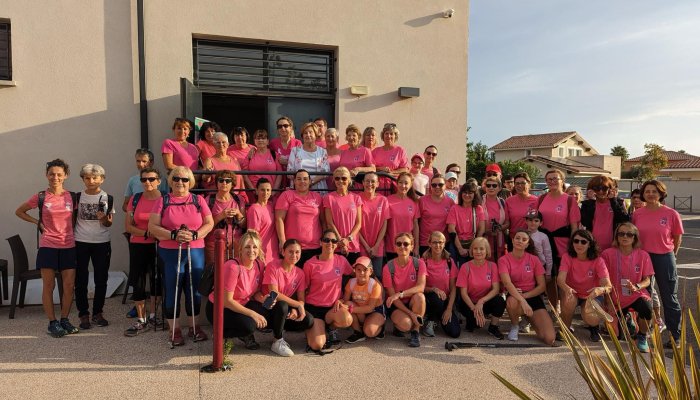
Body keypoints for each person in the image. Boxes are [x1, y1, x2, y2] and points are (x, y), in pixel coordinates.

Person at [148, 166, 214, 346]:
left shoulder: (198, 200)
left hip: (195, 250)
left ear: (190, 181)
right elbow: (152, 226)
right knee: (172, 288)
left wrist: (195, 235)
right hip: (170, 251)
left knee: (194, 289)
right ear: (171, 181)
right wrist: (172, 235)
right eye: (176, 178)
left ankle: (194, 326)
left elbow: (209, 223)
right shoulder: (163, 201)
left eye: (185, 179)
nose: (180, 182)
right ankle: (174, 329)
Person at [15, 159, 79, 338]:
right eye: (52, 174)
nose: (55, 177)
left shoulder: (72, 197)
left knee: (68, 285)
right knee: (48, 286)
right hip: (48, 246)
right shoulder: (41, 196)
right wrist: (38, 223)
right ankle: (52, 322)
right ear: (46, 175)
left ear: (66, 176)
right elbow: (19, 211)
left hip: (69, 245)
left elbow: (76, 219)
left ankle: (64, 320)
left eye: (59, 174)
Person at [631, 179, 683, 348]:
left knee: (670, 297)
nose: (651, 194)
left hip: (664, 257)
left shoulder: (671, 213)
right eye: (647, 191)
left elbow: (677, 237)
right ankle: (643, 334)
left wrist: (672, 255)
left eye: (654, 191)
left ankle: (675, 336)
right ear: (643, 194)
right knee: (643, 297)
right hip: (643, 258)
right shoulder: (637, 213)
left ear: (661, 194)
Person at [204, 230, 270, 351]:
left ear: (259, 249)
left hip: (241, 304)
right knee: (250, 325)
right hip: (220, 308)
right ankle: (222, 334)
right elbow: (227, 301)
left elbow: (254, 292)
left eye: (255, 247)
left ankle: (244, 332)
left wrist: (263, 298)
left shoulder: (259, 265)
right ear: (240, 249)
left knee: (267, 310)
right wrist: (253, 314)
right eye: (247, 247)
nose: (251, 250)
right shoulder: (233, 267)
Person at [601, 222, 655, 352]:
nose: (625, 237)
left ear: (634, 238)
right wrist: (607, 300)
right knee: (618, 337)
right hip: (615, 298)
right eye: (621, 234)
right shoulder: (607, 254)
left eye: (629, 234)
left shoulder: (643, 255)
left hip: (636, 294)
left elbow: (647, 280)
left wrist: (637, 286)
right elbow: (603, 279)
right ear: (617, 236)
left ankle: (642, 336)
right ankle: (629, 321)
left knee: (647, 308)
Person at [74, 164, 116, 329]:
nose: (91, 181)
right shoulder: (77, 197)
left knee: (101, 279)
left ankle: (98, 313)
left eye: (94, 178)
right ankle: (83, 314)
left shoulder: (108, 198)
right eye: (87, 178)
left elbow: (108, 224)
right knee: (81, 279)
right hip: (80, 241)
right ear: (83, 179)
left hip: (101, 243)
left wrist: (103, 218)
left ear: (102, 179)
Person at [498, 230, 556, 345]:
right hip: (515, 295)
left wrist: (525, 297)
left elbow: (542, 286)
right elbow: (507, 283)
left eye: (524, 239)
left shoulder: (534, 259)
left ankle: (528, 318)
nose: (520, 241)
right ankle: (515, 325)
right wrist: (522, 300)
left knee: (549, 338)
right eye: (517, 238)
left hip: (532, 295)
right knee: (512, 302)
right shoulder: (503, 260)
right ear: (513, 240)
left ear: (528, 244)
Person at [124, 167, 163, 336]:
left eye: (152, 179)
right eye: (144, 179)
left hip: (158, 245)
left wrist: (156, 233)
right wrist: (147, 232)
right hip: (138, 244)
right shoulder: (135, 198)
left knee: (156, 279)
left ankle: (153, 316)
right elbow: (128, 226)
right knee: (138, 280)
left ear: (159, 181)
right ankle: (141, 319)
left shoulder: (164, 199)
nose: (147, 182)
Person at [261, 239, 315, 356]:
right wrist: (297, 305)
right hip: (267, 305)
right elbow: (274, 293)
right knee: (283, 305)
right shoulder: (273, 266)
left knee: (308, 320)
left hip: (284, 307)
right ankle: (277, 340)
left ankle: (281, 328)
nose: (294, 255)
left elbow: (301, 299)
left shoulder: (300, 273)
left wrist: (295, 309)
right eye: (290, 252)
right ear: (283, 252)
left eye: (297, 252)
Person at [537, 169, 581, 310]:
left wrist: (573, 247)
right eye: (549, 179)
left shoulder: (569, 200)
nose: (552, 182)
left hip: (562, 245)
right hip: (544, 244)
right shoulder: (542, 198)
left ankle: (565, 311)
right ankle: (553, 308)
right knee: (549, 278)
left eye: (555, 178)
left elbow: (574, 227)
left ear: (562, 181)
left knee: (563, 279)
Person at [557, 229, 612, 342]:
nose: (579, 244)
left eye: (583, 242)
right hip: (573, 292)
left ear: (590, 244)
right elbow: (560, 279)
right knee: (568, 300)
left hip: (591, 295)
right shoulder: (567, 257)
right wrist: (567, 289)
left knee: (591, 318)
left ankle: (594, 328)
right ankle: (565, 328)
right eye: (576, 241)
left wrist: (600, 290)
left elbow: (608, 286)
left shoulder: (598, 260)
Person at [303, 230, 354, 351]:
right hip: (315, 307)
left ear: (337, 244)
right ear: (320, 242)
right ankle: (313, 329)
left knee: (347, 320)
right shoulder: (310, 264)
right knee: (317, 345)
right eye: (326, 240)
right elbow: (304, 289)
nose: (330, 243)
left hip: (333, 308)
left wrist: (343, 299)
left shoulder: (341, 260)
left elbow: (355, 275)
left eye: (333, 241)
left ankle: (331, 328)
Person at [383, 232, 427, 347]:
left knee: (420, 297)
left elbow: (421, 287)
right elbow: (393, 297)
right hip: (396, 304)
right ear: (395, 247)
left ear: (412, 246)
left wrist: (401, 294)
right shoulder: (388, 267)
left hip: (412, 301)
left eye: (406, 244)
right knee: (406, 324)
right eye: (399, 244)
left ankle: (416, 331)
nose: (402, 246)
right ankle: (400, 327)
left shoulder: (419, 263)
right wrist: (411, 314)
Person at [456, 237, 506, 339]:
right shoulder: (465, 267)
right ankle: (472, 320)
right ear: (471, 250)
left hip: (484, 302)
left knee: (500, 301)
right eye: (475, 248)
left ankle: (493, 327)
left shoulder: (492, 266)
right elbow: (463, 294)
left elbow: (496, 289)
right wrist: (475, 309)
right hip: (469, 303)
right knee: (475, 325)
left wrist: (481, 301)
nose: (478, 251)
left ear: (487, 251)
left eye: (482, 249)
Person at [275, 169, 325, 266]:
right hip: (293, 248)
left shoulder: (317, 197)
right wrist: (282, 241)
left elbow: (323, 221)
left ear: (310, 181)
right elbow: (279, 219)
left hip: (315, 247)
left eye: (305, 179)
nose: (302, 181)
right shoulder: (287, 195)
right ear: (294, 181)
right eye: (299, 179)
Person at [421, 231, 461, 338]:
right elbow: (420, 287)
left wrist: (449, 309)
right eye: (434, 242)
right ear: (429, 243)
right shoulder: (423, 261)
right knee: (437, 298)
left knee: (455, 332)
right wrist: (434, 289)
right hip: (429, 299)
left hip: (445, 300)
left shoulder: (449, 261)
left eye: (440, 242)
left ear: (444, 244)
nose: (437, 245)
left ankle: (438, 318)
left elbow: (453, 289)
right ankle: (430, 320)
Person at [204, 170, 246, 265]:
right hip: (214, 245)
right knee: (215, 273)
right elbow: (205, 226)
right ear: (217, 183)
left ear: (232, 184)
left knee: (233, 272)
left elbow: (244, 225)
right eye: (221, 180)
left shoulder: (238, 200)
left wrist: (238, 214)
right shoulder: (209, 200)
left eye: (228, 181)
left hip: (235, 244)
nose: (224, 183)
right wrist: (221, 215)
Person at [323, 167, 363, 264]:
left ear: (349, 180)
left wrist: (348, 239)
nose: (340, 181)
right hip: (335, 246)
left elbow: (358, 223)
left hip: (353, 245)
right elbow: (329, 222)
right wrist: (340, 241)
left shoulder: (356, 198)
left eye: (344, 178)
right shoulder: (329, 198)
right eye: (337, 178)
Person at [580, 175, 629, 251]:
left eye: (604, 188)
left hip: (613, 246)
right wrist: (592, 201)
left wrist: (613, 200)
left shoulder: (617, 202)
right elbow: (585, 222)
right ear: (591, 190)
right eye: (597, 189)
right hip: (592, 246)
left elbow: (624, 219)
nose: (600, 191)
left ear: (610, 189)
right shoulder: (587, 204)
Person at [343, 256, 386, 343]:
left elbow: (370, 308)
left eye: (365, 269)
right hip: (359, 309)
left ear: (371, 272)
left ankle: (380, 327)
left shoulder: (375, 285)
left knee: (370, 332)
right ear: (354, 270)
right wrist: (340, 303)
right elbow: (345, 301)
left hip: (375, 310)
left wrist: (350, 309)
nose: (361, 272)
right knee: (347, 303)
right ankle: (358, 332)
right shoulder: (351, 282)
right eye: (358, 269)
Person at [358, 172, 390, 279]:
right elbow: (355, 224)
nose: (369, 184)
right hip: (362, 243)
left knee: (377, 275)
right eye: (367, 181)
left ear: (377, 184)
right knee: (362, 276)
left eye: (373, 181)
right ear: (363, 183)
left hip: (378, 244)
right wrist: (366, 246)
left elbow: (384, 225)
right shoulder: (357, 199)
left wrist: (376, 246)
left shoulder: (383, 200)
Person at [447, 182, 486, 266]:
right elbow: (451, 229)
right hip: (457, 243)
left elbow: (482, 229)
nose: (467, 195)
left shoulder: (478, 209)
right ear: (461, 194)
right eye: (465, 192)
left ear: (475, 195)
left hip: (473, 242)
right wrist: (460, 249)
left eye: (470, 193)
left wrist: (474, 246)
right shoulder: (455, 208)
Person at [287, 122, 330, 192]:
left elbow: (326, 172)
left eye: (310, 132)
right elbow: (289, 172)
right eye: (305, 133)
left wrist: (310, 182)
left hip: (319, 190)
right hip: (299, 190)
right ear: (302, 136)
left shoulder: (322, 152)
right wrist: (303, 183)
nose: (308, 135)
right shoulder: (295, 151)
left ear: (315, 135)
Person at [385, 172, 420, 260]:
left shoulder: (414, 203)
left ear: (411, 184)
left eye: (406, 183)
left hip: (408, 247)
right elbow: (383, 225)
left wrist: (416, 246)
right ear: (396, 183)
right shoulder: (387, 200)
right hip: (391, 247)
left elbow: (415, 226)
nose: (403, 185)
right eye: (400, 182)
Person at [122, 148, 168, 212]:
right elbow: (125, 204)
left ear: (151, 162)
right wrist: (133, 213)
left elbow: (167, 201)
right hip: (138, 219)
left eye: (144, 161)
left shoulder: (162, 180)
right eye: (138, 161)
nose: (140, 164)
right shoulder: (132, 180)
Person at [201, 132, 246, 198]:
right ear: (214, 145)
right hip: (218, 198)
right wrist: (207, 175)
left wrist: (243, 195)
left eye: (223, 142)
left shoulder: (235, 160)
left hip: (236, 198)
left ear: (228, 144)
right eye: (218, 142)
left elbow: (240, 180)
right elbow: (205, 179)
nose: (221, 144)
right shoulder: (209, 160)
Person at [418, 175, 454, 254]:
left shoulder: (450, 202)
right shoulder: (422, 200)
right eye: (434, 185)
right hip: (426, 242)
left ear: (445, 186)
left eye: (440, 185)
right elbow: (416, 222)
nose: (437, 187)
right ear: (430, 186)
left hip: (443, 243)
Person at [242, 129, 283, 199]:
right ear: (254, 141)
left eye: (263, 138)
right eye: (258, 138)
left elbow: (280, 174)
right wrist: (253, 190)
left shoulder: (274, 154)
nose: (260, 140)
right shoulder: (250, 155)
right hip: (254, 193)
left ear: (267, 141)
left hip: (271, 193)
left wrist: (274, 191)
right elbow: (245, 175)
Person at [247, 178, 278, 263]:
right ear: (256, 191)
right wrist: (258, 253)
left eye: (268, 190)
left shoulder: (271, 206)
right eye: (262, 190)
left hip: (273, 251)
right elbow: (253, 235)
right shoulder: (254, 209)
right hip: (261, 253)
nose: (266, 193)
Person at [372, 123, 409, 195]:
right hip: (377, 187)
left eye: (391, 134)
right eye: (386, 133)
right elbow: (370, 167)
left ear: (395, 136)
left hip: (395, 186)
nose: (389, 136)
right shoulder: (376, 151)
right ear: (383, 135)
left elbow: (405, 169)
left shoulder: (400, 150)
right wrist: (380, 169)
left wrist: (391, 173)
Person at [505, 172, 538, 249]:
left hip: (532, 240)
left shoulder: (536, 201)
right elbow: (507, 222)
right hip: (514, 240)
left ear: (529, 184)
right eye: (517, 183)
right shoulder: (508, 201)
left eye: (523, 183)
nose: (519, 186)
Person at [482, 176, 509, 261]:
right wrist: (486, 231)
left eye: (494, 185)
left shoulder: (502, 202)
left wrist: (499, 228)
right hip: (483, 241)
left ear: (499, 188)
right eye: (488, 185)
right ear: (485, 187)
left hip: (499, 242)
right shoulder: (479, 202)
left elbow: (508, 222)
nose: (491, 188)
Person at [525, 211, 553, 280]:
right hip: (524, 267)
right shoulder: (521, 235)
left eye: (536, 221)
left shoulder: (543, 237)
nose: (533, 223)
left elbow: (548, 254)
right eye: (530, 220)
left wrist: (548, 272)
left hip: (540, 267)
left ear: (541, 223)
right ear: (526, 221)